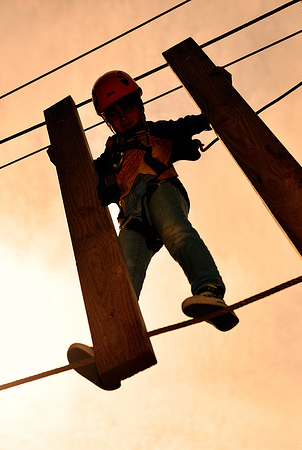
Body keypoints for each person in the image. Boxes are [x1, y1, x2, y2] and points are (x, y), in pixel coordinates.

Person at [67, 70, 238, 390]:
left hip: (160, 190)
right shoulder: (109, 158)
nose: (123, 118)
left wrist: (217, 90)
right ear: (108, 121)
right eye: (114, 115)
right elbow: (87, 179)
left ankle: (210, 291)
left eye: (127, 108)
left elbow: (194, 122)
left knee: (176, 232)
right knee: (121, 271)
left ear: (140, 106)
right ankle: (111, 346)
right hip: (132, 216)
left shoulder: (155, 132)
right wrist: (65, 161)